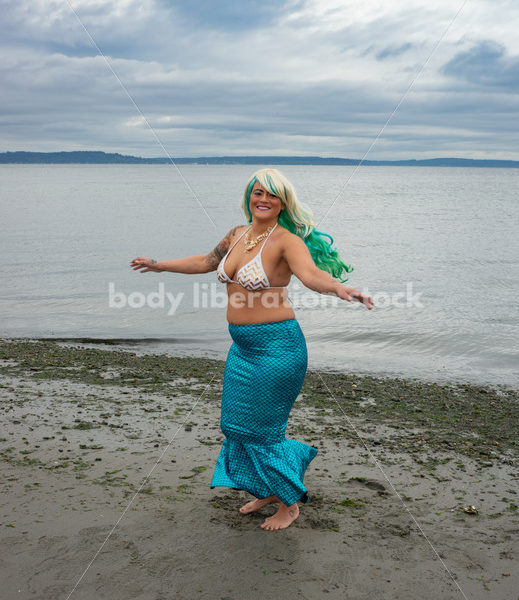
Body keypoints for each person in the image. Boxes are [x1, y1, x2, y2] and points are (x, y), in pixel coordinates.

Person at [130, 168, 373, 531]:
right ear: (249, 197)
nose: (263, 199)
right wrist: (158, 265)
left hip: (278, 348)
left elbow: (309, 275)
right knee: (234, 424)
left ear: (282, 203)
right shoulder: (237, 234)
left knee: (263, 431)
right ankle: (268, 489)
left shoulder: (286, 241)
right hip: (242, 348)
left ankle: (289, 503)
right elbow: (205, 262)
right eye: (258, 192)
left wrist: (339, 288)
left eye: (272, 195)